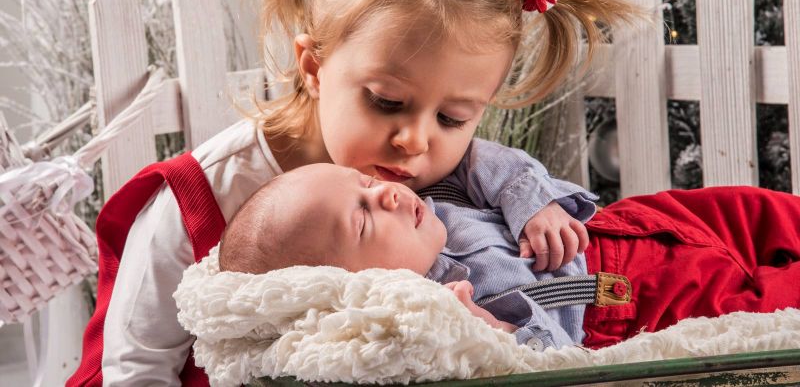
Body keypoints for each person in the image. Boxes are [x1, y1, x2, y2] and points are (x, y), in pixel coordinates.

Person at [69, 0, 635, 386]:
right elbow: (136, 363)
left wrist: (534, 206)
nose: (415, 140)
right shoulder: (202, 195)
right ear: (314, 67)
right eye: (387, 102)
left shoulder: (440, 171)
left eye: (452, 118)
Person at [218, 160, 800, 352]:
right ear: (353, 286)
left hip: (625, 225)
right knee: (774, 306)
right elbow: (552, 361)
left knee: (756, 208)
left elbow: (486, 158)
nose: (388, 194)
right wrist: (497, 334)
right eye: (364, 216)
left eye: (365, 183)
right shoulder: (440, 309)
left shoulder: (436, 197)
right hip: (637, 303)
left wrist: (532, 205)